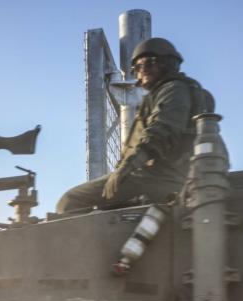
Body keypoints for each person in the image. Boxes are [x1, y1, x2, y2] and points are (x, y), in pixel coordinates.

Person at [56, 37, 213, 215]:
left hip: (158, 176)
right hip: (155, 175)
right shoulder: (165, 93)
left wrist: (125, 169)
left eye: (145, 65)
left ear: (165, 63)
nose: (139, 72)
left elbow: (160, 133)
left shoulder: (174, 90)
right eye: (136, 68)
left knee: (70, 201)